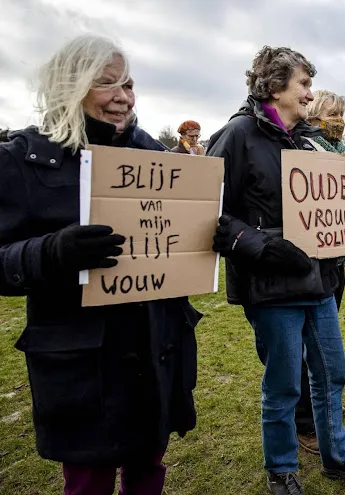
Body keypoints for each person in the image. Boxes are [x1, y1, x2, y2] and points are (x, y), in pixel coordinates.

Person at [0, 34, 200, 495]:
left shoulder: (153, 155)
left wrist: (232, 235)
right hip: (83, 362)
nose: (124, 97)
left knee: (150, 468)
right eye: (106, 84)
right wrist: (48, 253)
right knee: (89, 479)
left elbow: (196, 221)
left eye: (128, 84)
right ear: (69, 87)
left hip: (154, 346)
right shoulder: (23, 160)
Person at [207, 46, 345, 495]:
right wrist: (265, 247)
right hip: (270, 287)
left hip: (319, 281)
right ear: (274, 86)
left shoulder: (310, 140)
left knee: (331, 374)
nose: (310, 93)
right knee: (284, 384)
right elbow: (210, 214)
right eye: (304, 84)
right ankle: (282, 469)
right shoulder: (237, 135)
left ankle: (338, 456)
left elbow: (341, 210)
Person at [291, 89, 345, 454]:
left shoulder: (343, 153)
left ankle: (320, 407)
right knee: (302, 346)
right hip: (303, 265)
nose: (337, 119)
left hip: (335, 263)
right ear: (311, 113)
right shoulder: (297, 147)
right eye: (330, 112)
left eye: (342, 112)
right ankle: (304, 420)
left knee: (322, 348)